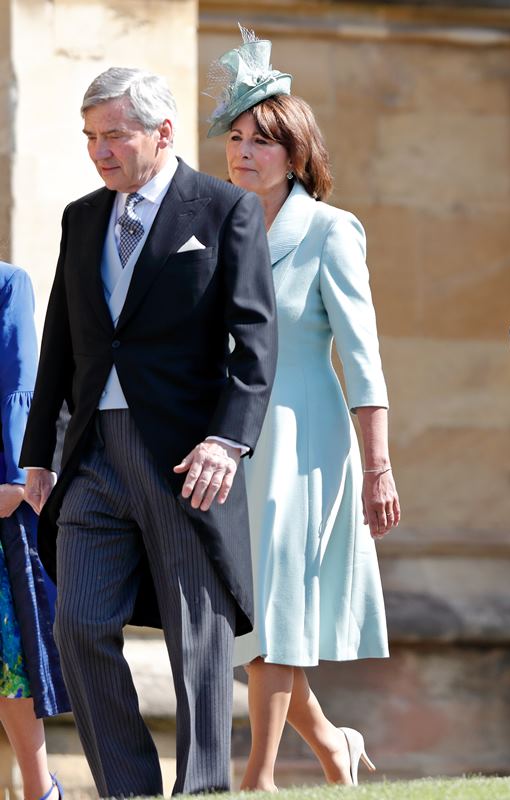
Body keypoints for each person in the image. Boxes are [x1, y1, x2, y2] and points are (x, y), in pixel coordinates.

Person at [20, 67, 277, 796]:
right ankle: (127, 790)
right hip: (92, 457)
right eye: (90, 138)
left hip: (185, 456)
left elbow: (255, 342)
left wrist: (227, 441)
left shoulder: (226, 210)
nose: (99, 152)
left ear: (162, 134)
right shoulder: (81, 217)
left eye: (114, 136)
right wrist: (38, 454)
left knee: (200, 638)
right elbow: (62, 344)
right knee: (79, 626)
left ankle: (201, 790)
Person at [205, 28, 395, 790]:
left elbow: (364, 356)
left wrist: (378, 466)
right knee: (253, 615)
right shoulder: (216, 225)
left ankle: (257, 776)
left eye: (263, 142)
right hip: (231, 438)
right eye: (237, 137)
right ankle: (334, 744)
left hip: (305, 438)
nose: (244, 152)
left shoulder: (328, 229)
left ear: (296, 152)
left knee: (279, 605)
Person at [0, 263, 69, 800]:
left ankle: (37, 789)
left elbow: (20, 377)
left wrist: (16, 477)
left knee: (8, 651)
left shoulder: (6, 281)